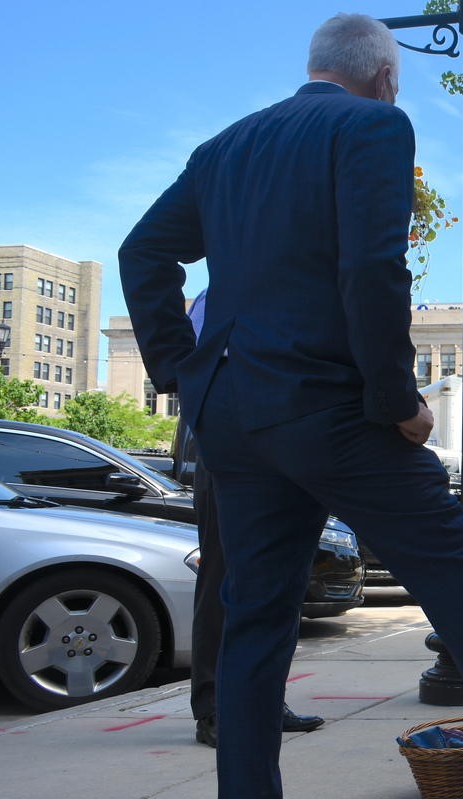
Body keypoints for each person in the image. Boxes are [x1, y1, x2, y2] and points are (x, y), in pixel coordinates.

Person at [118, 14, 463, 799]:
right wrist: (397, 400)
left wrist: (179, 370)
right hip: (331, 408)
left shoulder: (223, 148)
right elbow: (372, 267)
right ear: (386, 77)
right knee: (462, 573)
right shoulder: (375, 126)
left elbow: (141, 251)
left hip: (234, 416)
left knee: (254, 616)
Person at [184, 289, 324, 748]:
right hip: (231, 441)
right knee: (225, 576)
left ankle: (264, 700)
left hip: (293, 440)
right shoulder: (218, 293)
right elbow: (198, 357)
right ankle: (214, 709)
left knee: (285, 579)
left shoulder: (299, 285)